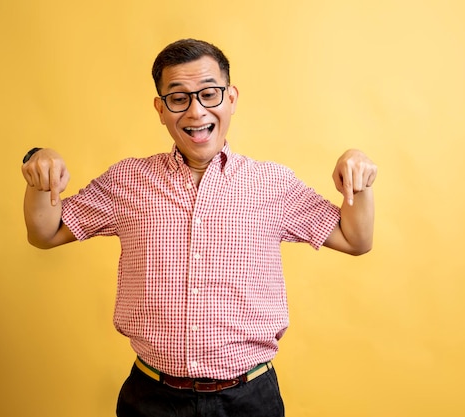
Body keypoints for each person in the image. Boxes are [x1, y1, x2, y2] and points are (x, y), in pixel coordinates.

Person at [21, 38, 377, 417]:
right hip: (151, 398)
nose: (195, 111)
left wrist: (359, 178)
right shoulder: (127, 181)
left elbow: (356, 239)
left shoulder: (273, 184)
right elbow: (46, 232)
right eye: (179, 98)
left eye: (209, 94)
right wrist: (39, 171)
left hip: (249, 398)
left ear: (231, 98)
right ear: (160, 108)